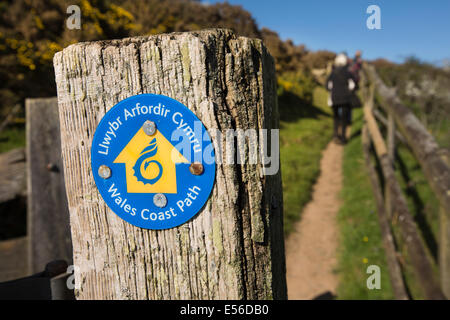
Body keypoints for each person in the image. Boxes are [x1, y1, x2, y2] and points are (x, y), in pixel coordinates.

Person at [326, 53, 356, 144]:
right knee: (344, 118)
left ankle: (335, 135)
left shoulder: (333, 73)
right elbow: (353, 85)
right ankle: (343, 138)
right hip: (345, 99)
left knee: (336, 117)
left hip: (334, 98)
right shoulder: (348, 73)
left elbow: (328, 86)